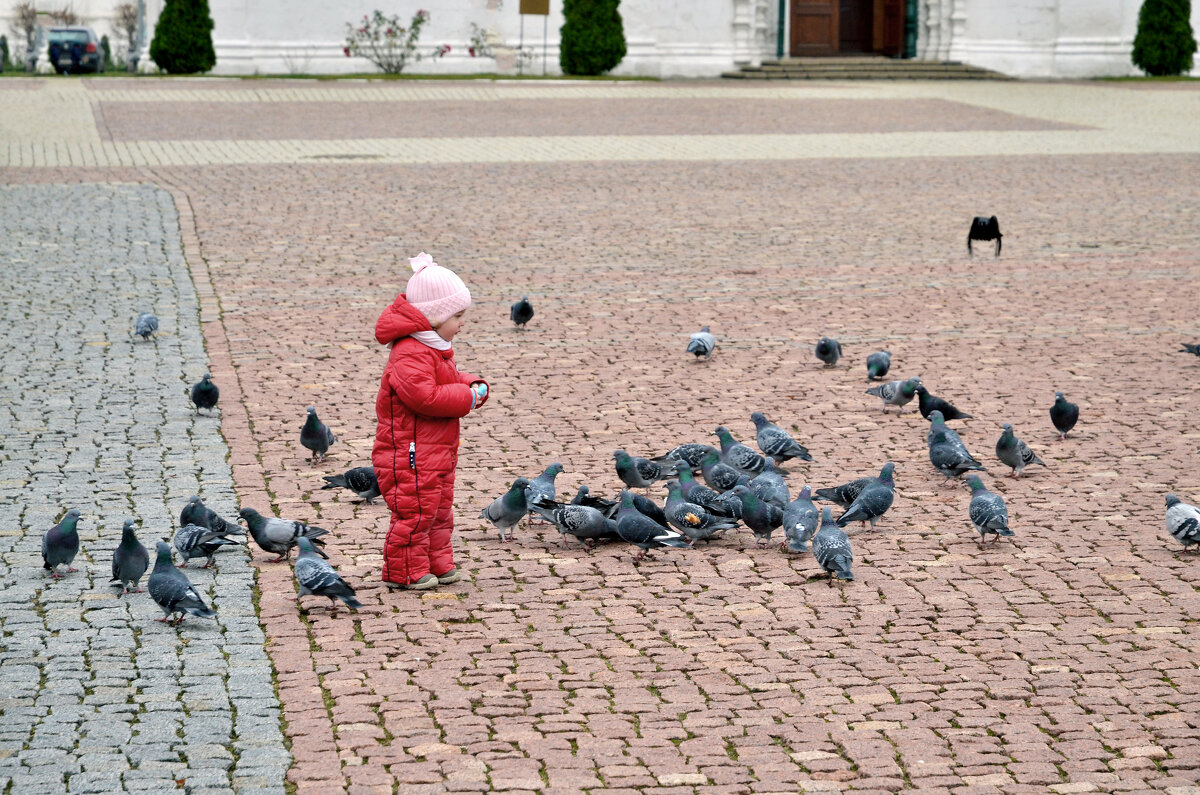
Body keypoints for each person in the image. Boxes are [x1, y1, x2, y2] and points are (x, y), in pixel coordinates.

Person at [372, 252, 489, 589]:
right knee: (416, 512)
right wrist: (466, 398)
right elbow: (425, 396)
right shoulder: (409, 352)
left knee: (439, 511)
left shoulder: (431, 347)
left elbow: (444, 378)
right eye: (458, 315)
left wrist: (471, 383)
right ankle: (404, 570)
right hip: (409, 453)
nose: (462, 323)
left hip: (434, 450)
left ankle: (437, 563)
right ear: (435, 317)